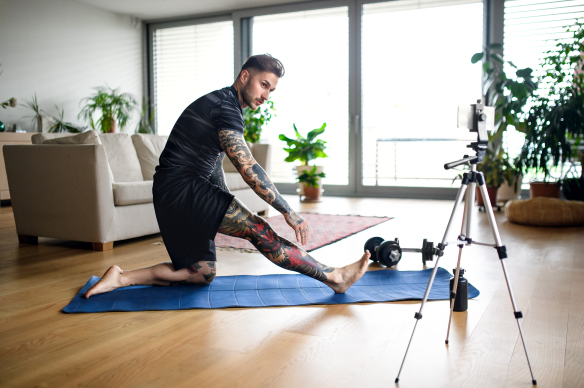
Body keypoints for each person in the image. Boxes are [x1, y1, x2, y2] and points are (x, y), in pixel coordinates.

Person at [84, 54, 370, 299]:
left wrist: (222, 200)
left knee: (201, 273)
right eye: (263, 85)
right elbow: (247, 166)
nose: (266, 96)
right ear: (245, 76)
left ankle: (120, 278)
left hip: (171, 192)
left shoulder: (222, 103)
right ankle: (335, 277)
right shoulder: (226, 106)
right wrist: (287, 209)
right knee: (259, 230)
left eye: (271, 90)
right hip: (182, 189)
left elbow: (214, 160)